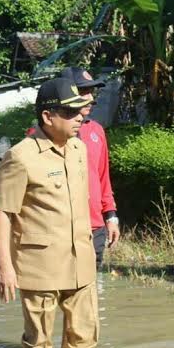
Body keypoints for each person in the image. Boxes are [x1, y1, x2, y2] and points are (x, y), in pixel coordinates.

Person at [0, 78, 98, 348]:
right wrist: (4, 267)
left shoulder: (78, 149)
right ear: (48, 116)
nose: (80, 117)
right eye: (71, 112)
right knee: (38, 342)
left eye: (81, 111)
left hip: (81, 262)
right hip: (39, 266)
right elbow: (2, 213)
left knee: (85, 337)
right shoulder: (20, 157)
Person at [60, 67, 120, 265]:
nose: (90, 98)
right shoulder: (43, 136)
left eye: (91, 92)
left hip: (95, 227)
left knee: (90, 290)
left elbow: (103, 179)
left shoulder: (96, 131)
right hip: (61, 229)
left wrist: (111, 217)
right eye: (83, 91)